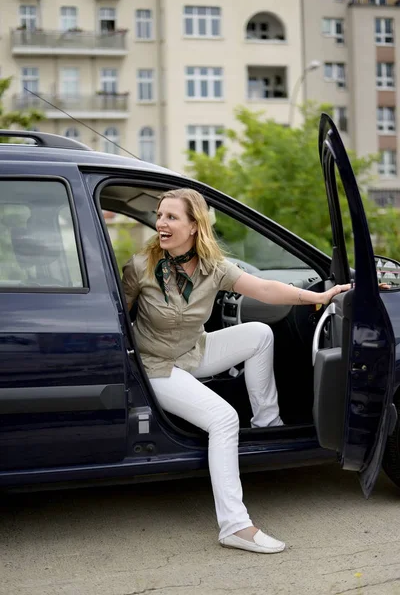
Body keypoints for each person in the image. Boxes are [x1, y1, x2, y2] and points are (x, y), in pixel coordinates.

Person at [122, 188, 350, 554]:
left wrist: (320, 297)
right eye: (160, 216)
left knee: (260, 334)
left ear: (195, 226)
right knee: (224, 419)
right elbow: (116, 319)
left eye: (171, 217)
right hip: (156, 366)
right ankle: (235, 526)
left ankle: (267, 424)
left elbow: (265, 289)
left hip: (193, 350)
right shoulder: (140, 267)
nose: (161, 224)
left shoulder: (214, 268)